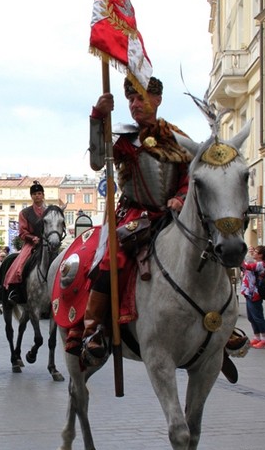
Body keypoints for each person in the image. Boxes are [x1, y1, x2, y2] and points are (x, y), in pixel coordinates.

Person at [68, 76, 191, 362]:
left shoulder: (178, 138)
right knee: (114, 257)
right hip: (136, 213)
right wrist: (98, 117)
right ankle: (94, 327)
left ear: (157, 100)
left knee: (207, 247)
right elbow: (98, 161)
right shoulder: (123, 139)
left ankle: (218, 325)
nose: (135, 104)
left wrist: (181, 197)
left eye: (141, 98)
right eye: (131, 100)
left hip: (173, 213)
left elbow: (189, 177)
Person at [3, 180, 47, 304]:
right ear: (31, 196)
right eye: (35, 194)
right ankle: (14, 291)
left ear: (43, 195)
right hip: (31, 244)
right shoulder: (25, 213)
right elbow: (22, 232)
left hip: (47, 243)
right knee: (19, 265)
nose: (37, 196)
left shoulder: (49, 211)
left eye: (39, 193)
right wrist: (33, 238)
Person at [240, 245, 265, 349]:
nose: (253, 253)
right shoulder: (255, 263)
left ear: (261, 255)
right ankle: (257, 337)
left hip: (255, 294)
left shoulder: (261, 264)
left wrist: (239, 258)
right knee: (251, 317)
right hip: (249, 292)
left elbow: (248, 267)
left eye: (256, 252)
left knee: (258, 317)